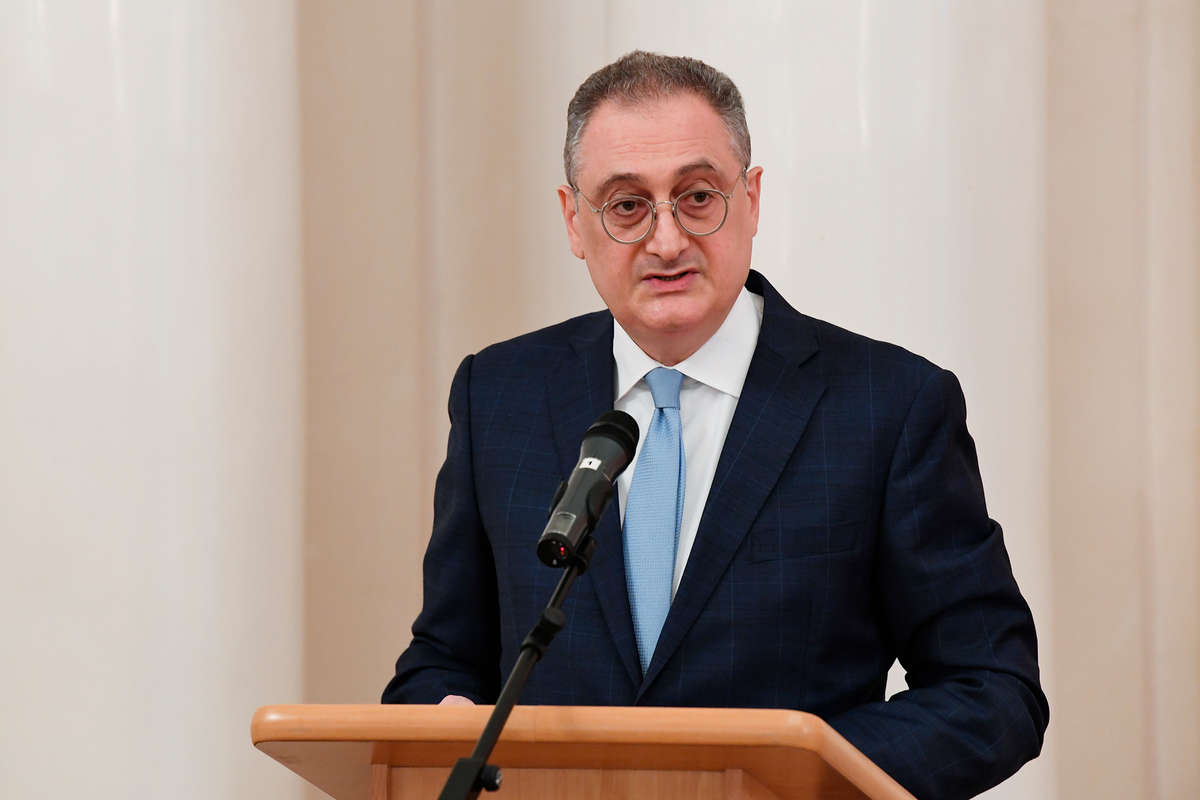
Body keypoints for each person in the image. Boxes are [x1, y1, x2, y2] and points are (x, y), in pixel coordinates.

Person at [382, 51, 1048, 799]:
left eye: (697, 197)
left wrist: (793, 774)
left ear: (751, 199)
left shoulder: (888, 407)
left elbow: (991, 690)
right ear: (574, 220)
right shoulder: (499, 396)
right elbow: (442, 660)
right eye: (627, 206)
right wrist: (439, 719)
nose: (666, 241)